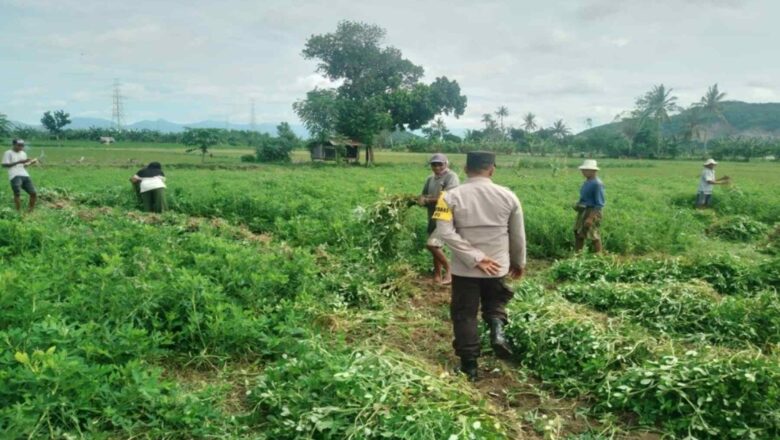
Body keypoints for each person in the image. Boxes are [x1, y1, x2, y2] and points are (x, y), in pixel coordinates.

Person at [433, 151, 526, 381]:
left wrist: (475, 258)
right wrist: (518, 262)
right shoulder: (509, 196)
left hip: (465, 269)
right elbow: (517, 235)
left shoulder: (447, 197)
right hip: (498, 265)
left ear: (466, 169)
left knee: (465, 314)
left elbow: (444, 232)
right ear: (492, 170)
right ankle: (497, 331)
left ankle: (470, 367)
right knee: (495, 303)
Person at [419, 153, 460, 285]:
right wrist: (420, 199)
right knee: (436, 247)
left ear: (446, 164)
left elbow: (448, 197)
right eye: (434, 164)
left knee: (432, 244)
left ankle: (450, 270)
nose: (437, 167)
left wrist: (427, 200)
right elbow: (423, 194)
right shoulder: (430, 179)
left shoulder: (451, 176)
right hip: (432, 217)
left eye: (440, 164)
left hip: (445, 217)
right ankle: (437, 275)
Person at [574, 159, 605, 254]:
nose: (583, 172)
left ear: (593, 171)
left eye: (586, 170)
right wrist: (578, 204)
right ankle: (577, 256)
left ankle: (599, 256)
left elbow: (599, 204)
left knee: (593, 235)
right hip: (584, 211)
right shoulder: (587, 182)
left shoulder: (597, 184)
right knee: (579, 233)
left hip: (592, 211)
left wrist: (590, 218)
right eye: (583, 170)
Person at [2, 139, 37, 212]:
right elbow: (4, 165)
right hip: (14, 175)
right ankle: (18, 211)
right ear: (13, 145)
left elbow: (24, 165)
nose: (21, 147)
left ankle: (30, 211)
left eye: (22, 145)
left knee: (33, 193)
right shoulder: (8, 153)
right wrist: (19, 162)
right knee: (17, 193)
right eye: (19, 145)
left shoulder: (23, 153)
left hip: (24, 174)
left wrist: (31, 162)